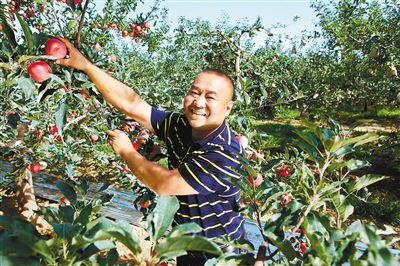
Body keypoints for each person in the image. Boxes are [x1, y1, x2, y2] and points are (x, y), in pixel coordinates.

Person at [56, 38, 246, 265]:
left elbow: (164, 184)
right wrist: (86, 66)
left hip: (221, 253)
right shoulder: (180, 125)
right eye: (194, 92)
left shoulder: (225, 154)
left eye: (210, 97)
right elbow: (133, 105)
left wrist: (127, 151)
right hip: (187, 243)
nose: (198, 102)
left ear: (227, 108)